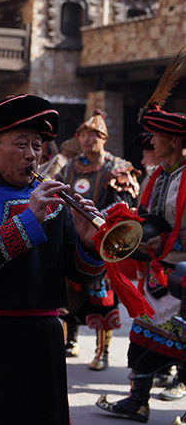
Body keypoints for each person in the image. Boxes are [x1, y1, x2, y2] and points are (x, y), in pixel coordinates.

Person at [0, 94, 106, 425]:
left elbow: (80, 274)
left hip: (42, 337)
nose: (32, 154)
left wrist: (90, 244)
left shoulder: (57, 200)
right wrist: (30, 217)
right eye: (21, 144)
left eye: (37, 145)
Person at [98, 106, 186, 422]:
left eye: (156, 137)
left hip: (183, 274)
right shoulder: (159, 175)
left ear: (173, 141)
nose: (151, 142)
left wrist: (170, 245)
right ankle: (138, 401)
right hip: (157, 273)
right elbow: (150, 216)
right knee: (143, 340)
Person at [56, 110, 140, 370]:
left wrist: (94, 222)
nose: (87, 139)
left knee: (102, 299)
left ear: (104, 138)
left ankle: (102, 351)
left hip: (102, 240)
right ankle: (71, 341)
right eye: (83, 134)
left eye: (93, 134)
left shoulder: (116, 167)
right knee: (67, 292)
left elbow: (122, 206)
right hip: (71, 238)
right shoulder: (70, 166)